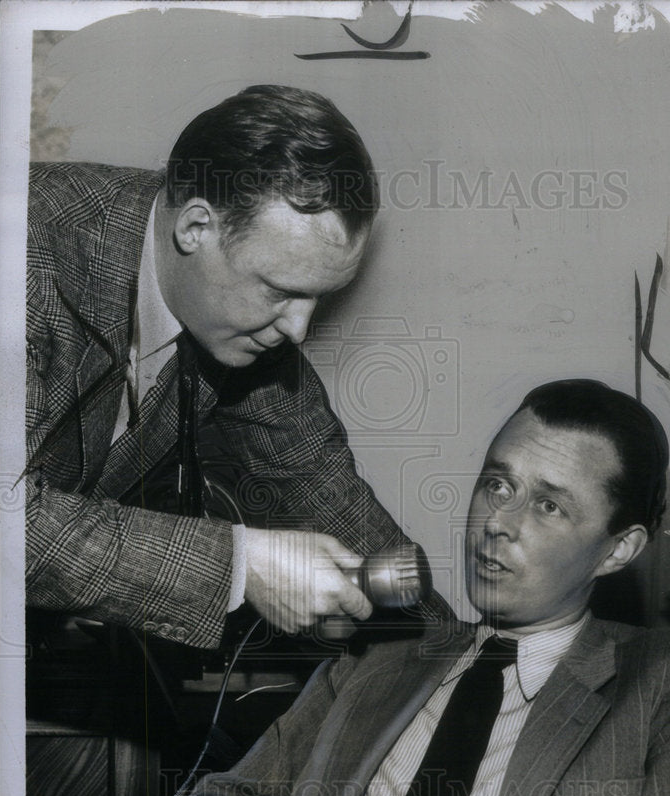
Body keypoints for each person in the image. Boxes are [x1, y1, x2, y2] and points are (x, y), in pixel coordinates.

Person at [36, 380, 670, 796]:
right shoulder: (380, 665)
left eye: (547, 505)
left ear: (618, 550)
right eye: (496, 484)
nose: (499, 523)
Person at [25, 84, 418, 649]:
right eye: (281, 290)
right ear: (196, 228)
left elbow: (319, 481)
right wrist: (239, 566)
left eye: (320, 299)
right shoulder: (24, 252)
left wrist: (457, 662)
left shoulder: (234, 317)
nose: (299, 330)